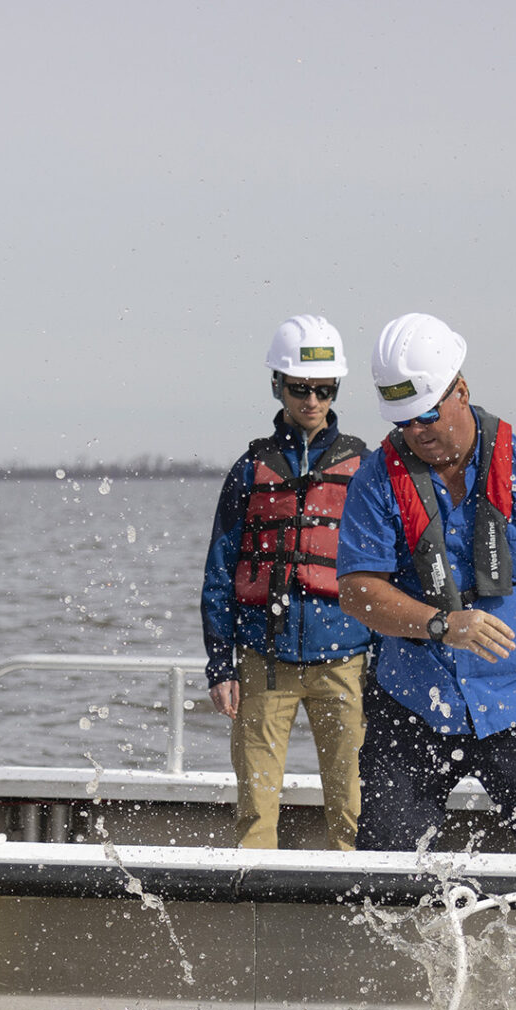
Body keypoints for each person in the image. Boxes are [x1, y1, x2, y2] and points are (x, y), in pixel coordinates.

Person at [332, 313, 516, 855]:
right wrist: (440, 624)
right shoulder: (375, 481)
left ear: (461, 391)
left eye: (425, 415)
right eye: (402, 423)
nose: (415, 432)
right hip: (412, 703)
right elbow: (357, 591)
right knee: (384, 874)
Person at [199, 315, 375, 849]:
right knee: (255, 808)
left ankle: (355, 912)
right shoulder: (249, 469)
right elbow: (219, 571)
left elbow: (387, 572)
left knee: (353, 804)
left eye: (325, 390)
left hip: (344, 658)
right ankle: (255, 905)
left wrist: (386, 658)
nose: (313, 401)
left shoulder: (364, 467)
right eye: (301, 388)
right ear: (277, 384)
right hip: (263, 657)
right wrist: (218, 663)